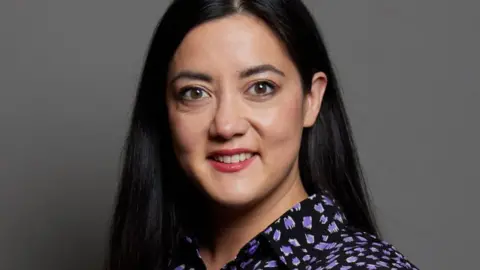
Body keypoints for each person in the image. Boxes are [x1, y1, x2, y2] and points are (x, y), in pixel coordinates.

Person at [107, 0, 419, 269]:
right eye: (195, 93)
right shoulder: (163, 259)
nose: (226, 126)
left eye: (261, 87)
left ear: (312, 100)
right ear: (165, 109)